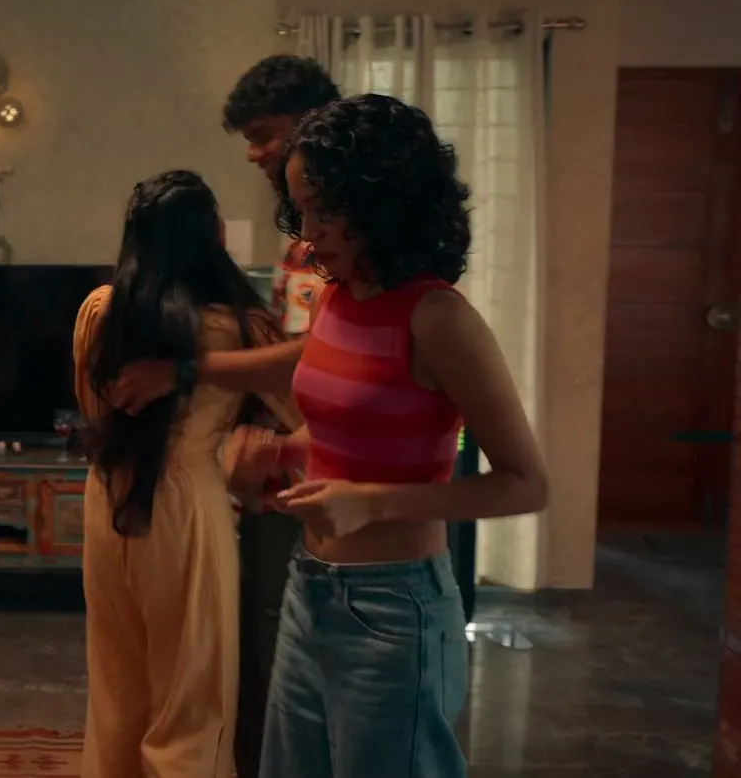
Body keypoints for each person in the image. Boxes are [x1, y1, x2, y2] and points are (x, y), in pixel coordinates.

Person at [225, 95, 548, 776]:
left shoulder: (440, 319)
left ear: (383, 202)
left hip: (394, 610)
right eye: (300, 211)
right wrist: (282, 452)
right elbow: (352, 424)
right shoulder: (339, 295)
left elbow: (526, 485)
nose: (308, 235)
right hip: (309, 589)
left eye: (325, 211)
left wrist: (373, 502)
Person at [73, 170, 304, 778]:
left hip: (107, 498)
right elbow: (305, 410)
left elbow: (94, 409)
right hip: (187, 507)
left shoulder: (101, 313)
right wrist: (251, 452)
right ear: (210, 235)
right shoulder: (239, 328)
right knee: (190, 701)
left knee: (116, 688)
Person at [217, 52, 342, 776]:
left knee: (292, 645)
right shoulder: (301, 234)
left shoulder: (339, 237)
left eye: (264, 135)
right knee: (274, 636)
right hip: (292, 459)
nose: (254, 153)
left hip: (328, 470)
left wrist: (190, 368)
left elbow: (312, 356)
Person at [223, 54, 343, 336]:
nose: (252, 155)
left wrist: (202, 361)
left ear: (312, 127)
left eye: (263, 137)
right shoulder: (299, 245)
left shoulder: (353, 241)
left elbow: (322, 345)